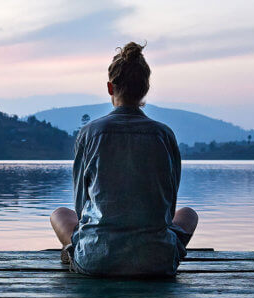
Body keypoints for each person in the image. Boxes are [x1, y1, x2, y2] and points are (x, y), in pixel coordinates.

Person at [50, 42, 198, 277]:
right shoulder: (164, 134)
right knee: (188, 214)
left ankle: (74, 251)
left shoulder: (90, 133)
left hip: (96, 261)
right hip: (156, 262)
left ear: (110, 87)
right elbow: (168, 208)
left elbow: (80, 205)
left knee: (60, 214)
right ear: (146, 89)